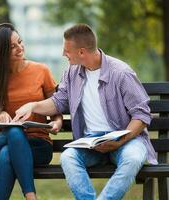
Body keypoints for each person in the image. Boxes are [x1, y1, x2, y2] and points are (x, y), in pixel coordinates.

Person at [13, 24, 158, 200]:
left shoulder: (121, 73)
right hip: (90, 143)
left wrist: (120, 141)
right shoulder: (72, 72)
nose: (63, 54)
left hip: (126, 140)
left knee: (133, 159)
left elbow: (141, 115)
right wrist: (33, 106)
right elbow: (58, 102)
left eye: (67, 50)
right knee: (68, 158)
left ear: (81, 52)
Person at [0, 23, 63, 200]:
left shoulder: (41, 71)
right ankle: (31, 197)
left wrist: (57, 123)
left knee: (7, 155)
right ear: (1, 52)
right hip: (2, 141)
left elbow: (56, 107)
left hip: (38, 145)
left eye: (20, 42)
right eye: (12, 47)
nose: (19, 48)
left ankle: (30, 196)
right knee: (14, 131)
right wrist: (1, 118)